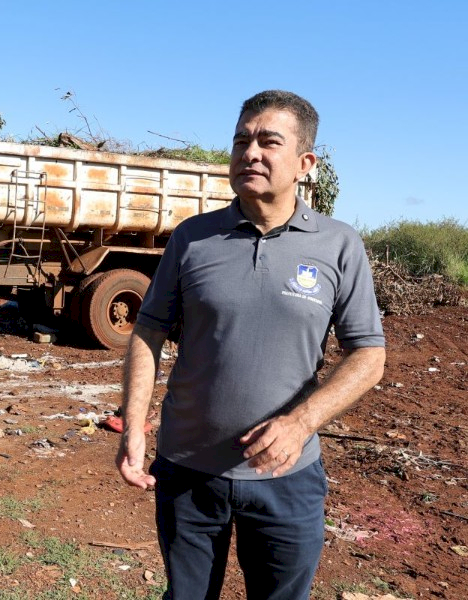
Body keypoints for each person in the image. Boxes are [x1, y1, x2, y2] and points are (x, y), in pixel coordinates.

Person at [117, 90, 386, 600]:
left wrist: (301, 423)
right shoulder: (192, 238)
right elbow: (149, 331)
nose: (250, 153)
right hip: (188, 470)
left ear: (306, 163)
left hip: (288, 475)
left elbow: (369, 354)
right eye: (241, 140)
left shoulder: (337, 244)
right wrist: (133, 425)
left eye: (268, 141)